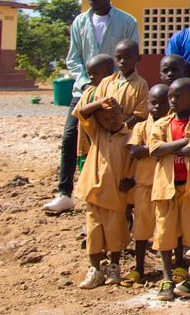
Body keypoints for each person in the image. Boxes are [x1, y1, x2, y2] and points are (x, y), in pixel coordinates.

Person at [49, 0, 141, 215]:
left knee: (113, 143)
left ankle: (116, 196)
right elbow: (73, 58)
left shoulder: (127, 22)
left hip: (115, 92)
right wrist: (86, 83)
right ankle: (64, 193)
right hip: (85, 91)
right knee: (71, 138)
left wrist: (109, 84)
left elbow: (130, 53)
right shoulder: (80, 22)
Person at [149, 77, 190, 301]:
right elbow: (154, 149)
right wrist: (181, 142)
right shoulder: (161, 124)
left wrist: (169, 149)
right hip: (166, 187)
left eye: (178, 96)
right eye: (170, 96)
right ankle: (167, 277)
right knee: (165, 233)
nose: (172, 100)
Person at [74, 96, 133, 288]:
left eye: (115, 116)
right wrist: (99, 103)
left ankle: (114, 267)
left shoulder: (130, 135)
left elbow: (135, 163)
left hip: (116, 194)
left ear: (122, 113)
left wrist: (131, 181)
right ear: (99, 121)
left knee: (115, 233)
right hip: (94, 193)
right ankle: (94, 269)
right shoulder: (97, 133)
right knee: (93, 233)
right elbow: (82, 112)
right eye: (106, 119)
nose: (112, 121)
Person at [125, 83, 169, 287]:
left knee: (166, 230)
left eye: (162, 103)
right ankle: (139, 268)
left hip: (166, 187)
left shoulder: (172, 125)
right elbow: (134, 152)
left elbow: (143, 151)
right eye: (153, 103)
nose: (157, 107)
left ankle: (171, 269)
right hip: (143, 186)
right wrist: (160, 148)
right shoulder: (141, 126)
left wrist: (148, 149)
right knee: (141, 229)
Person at [93, 39, 149, 129]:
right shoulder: (106, 82)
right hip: (105, 131)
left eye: (127, 57)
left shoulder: (141, 84)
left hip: (127, 134)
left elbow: (140, 114)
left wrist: (121, 128)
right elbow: (97, 107)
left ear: (138, 59)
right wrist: (107, 127)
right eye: (119, 57)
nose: (122, 61)